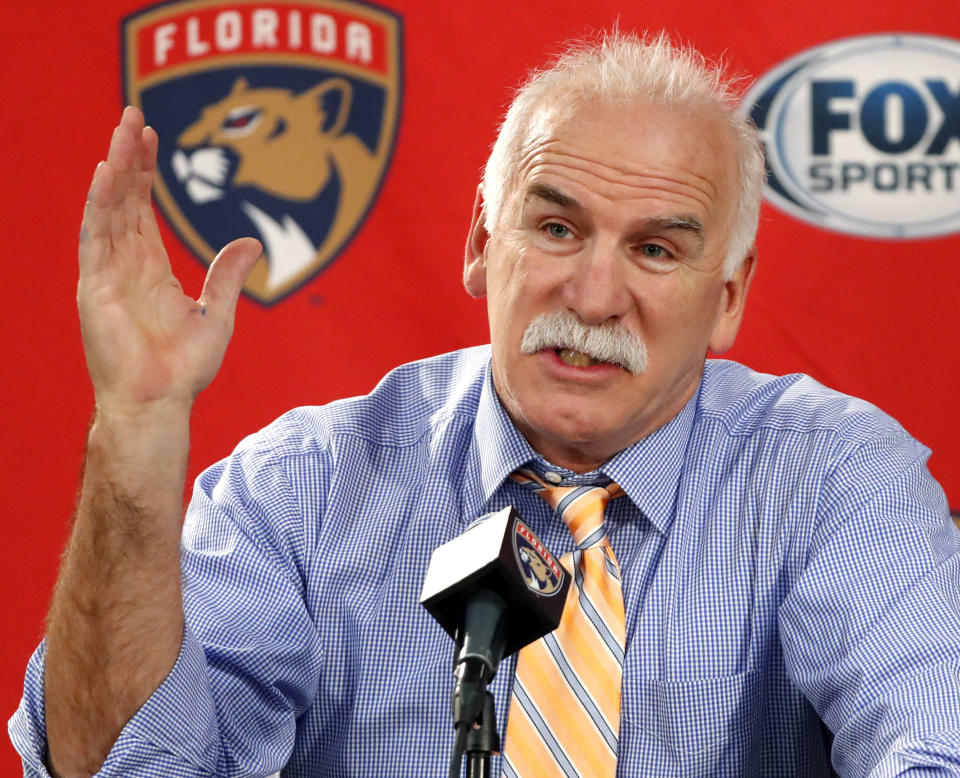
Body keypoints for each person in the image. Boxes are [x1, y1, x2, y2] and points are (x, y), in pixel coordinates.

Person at [10, 30, 960, 778]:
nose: (593, 298)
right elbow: (117, 770)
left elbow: (932, 748)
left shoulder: (834, 479)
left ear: (729, 299)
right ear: (479, 244)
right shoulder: (299, 491)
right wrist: (135, 429)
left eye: (656, 251)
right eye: (555, 228)